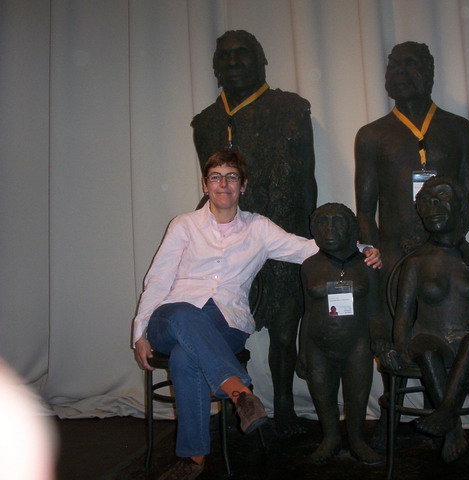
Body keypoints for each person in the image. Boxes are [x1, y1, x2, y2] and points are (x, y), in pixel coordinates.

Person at [132, 150, 381, 480]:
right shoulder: (183, 225)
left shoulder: (258, 228)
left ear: (243, 186)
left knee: (183, 357)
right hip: (171, 317)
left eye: (231, 177)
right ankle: (240, 393)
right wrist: (140, 331)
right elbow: (158, 279)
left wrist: (363, 249)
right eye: (216, 177)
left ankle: (193, 459)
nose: (223, 184)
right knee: (182, 314)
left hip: (226, 322)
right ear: (205, 185)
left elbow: (306, 247)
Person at [191, 30, 317, 436]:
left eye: (242, 54)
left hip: (281, 228)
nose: (233, 62)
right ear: (215, 67)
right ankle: (238, 406)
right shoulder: (205, 122)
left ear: (261, 60)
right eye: (224, 56)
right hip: (227, 237)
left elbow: (307, 178)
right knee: (224, 317)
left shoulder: (291, 109)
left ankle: (286, 407)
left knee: (285, 325)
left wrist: (312, 235)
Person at [354, 41, 469, 445]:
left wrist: (447, 246)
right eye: (393, 65)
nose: (399, 72)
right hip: (393, 255)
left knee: (442, 332)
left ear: (430, 72)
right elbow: (365, 208)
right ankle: (393, 414)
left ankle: (441, 413)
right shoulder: (372, 135)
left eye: (409, 65)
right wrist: (373, 254)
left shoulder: (459, 130)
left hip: (446, 257)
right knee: (392, 334)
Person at [380, 176, 469, 463]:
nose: (432, 208)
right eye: (426, 202)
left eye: (441, 199)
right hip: (431, 337)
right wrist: (399, 345)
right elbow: (404, 312)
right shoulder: (415, 262)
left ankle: (445, 415)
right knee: (426, 349)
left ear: (460, 206)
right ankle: (453, 426)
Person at [297, 203, 383, 464]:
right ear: (314, 229)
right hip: (317, 345)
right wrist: (302, 352)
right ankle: (330, 438)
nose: (330, 228)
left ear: (352, 229)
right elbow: (307, 311)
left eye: (338, 221)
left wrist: (380, 341)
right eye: (323, 222)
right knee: (323, 395)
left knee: (357, 396)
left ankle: (357, 440)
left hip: (357, 344)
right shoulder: (309, 266)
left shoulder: (368, 264)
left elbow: (375, 311)